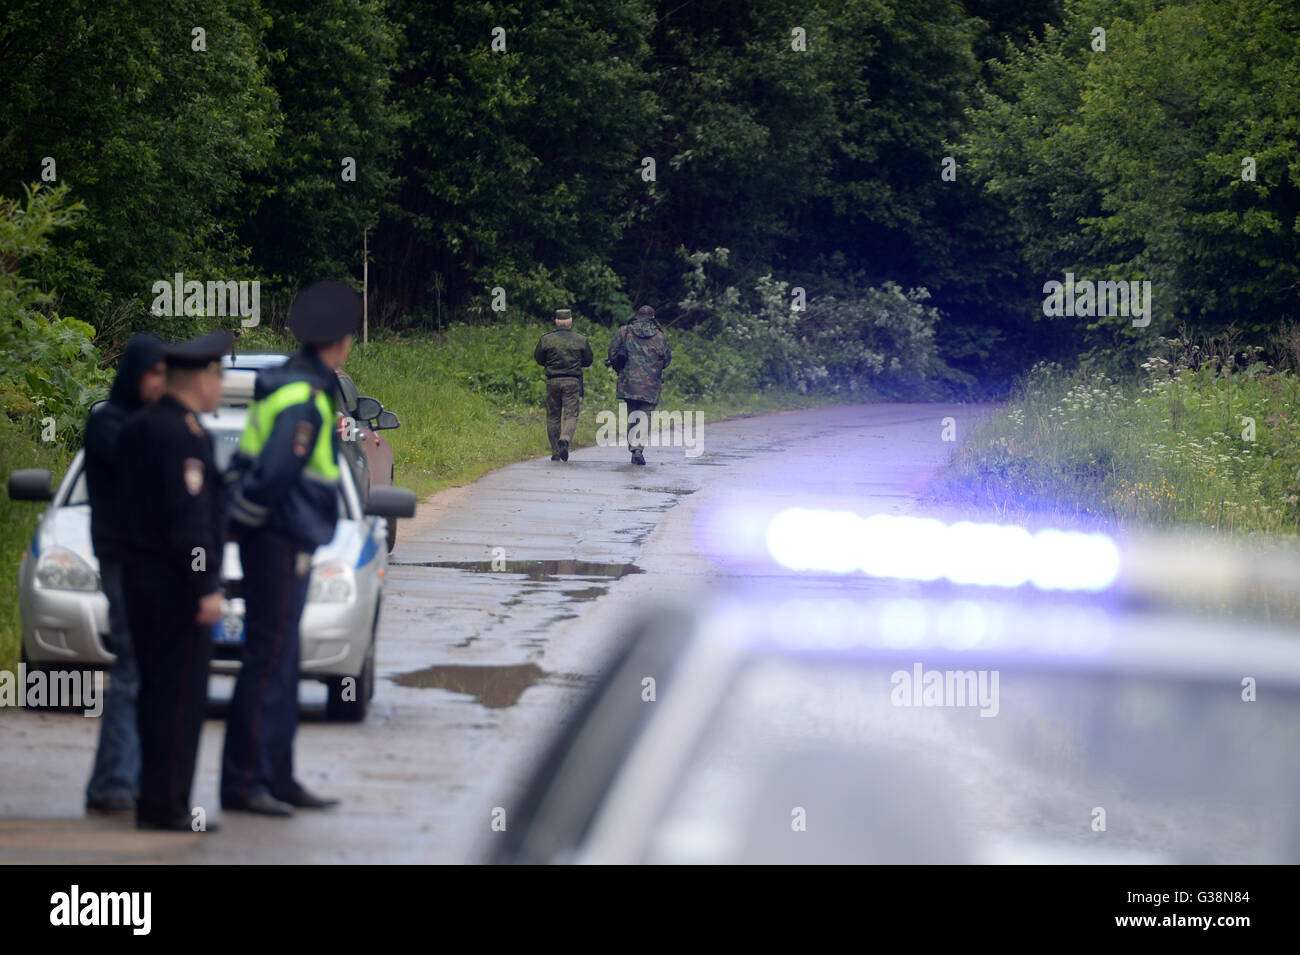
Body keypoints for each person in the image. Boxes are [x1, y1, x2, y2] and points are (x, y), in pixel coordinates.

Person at [222, 280, 358, 816]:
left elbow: (245, 465)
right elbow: (273, 474)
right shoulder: (303, 398)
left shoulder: (288, 385)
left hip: (279, 539)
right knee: (268, 659)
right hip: (279, 540)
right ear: (341, 343)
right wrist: (246, 525)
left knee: (281, 660)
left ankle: (277, 777)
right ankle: (244, 784)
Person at [117, 329, 233, 832]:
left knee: (154, 695)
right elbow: (189, 525)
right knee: (181, 699)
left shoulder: (140, 426)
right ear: (203, 379)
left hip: (141, 579)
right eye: (219, 376)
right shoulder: (183, 436)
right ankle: (168, 807)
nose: (222, 386)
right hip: (174, 588)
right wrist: (205, 588)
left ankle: (152, 800)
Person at [84, 334, 166, 815]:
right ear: (136, 375)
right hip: (121, 557)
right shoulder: (109, 424)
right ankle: (114, 782)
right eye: (154, 374)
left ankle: (120, 781)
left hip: (148, 558)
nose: (160, 384)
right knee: (131, 666)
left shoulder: (143, 422)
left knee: (140, 669)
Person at [606, 305, 672, 465]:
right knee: (645, 417)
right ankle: (638, 449)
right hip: (651, 385)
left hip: (629, 382)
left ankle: (633, 447)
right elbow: (666, 361)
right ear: (652, 318)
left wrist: (618, 366)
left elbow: (612, 353)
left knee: (633, 415)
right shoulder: (660, 336)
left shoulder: (625, 331)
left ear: (638, 316)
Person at [533, 308, 593, 461]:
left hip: (552, 381)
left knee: (553, 416)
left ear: (556, 322)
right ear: (571, 322)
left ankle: (555, 451)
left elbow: (539, 359)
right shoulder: (581, 339)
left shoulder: (546, 339)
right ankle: (565, 438)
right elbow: (588, 360)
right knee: (571, 414)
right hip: (572, 381)